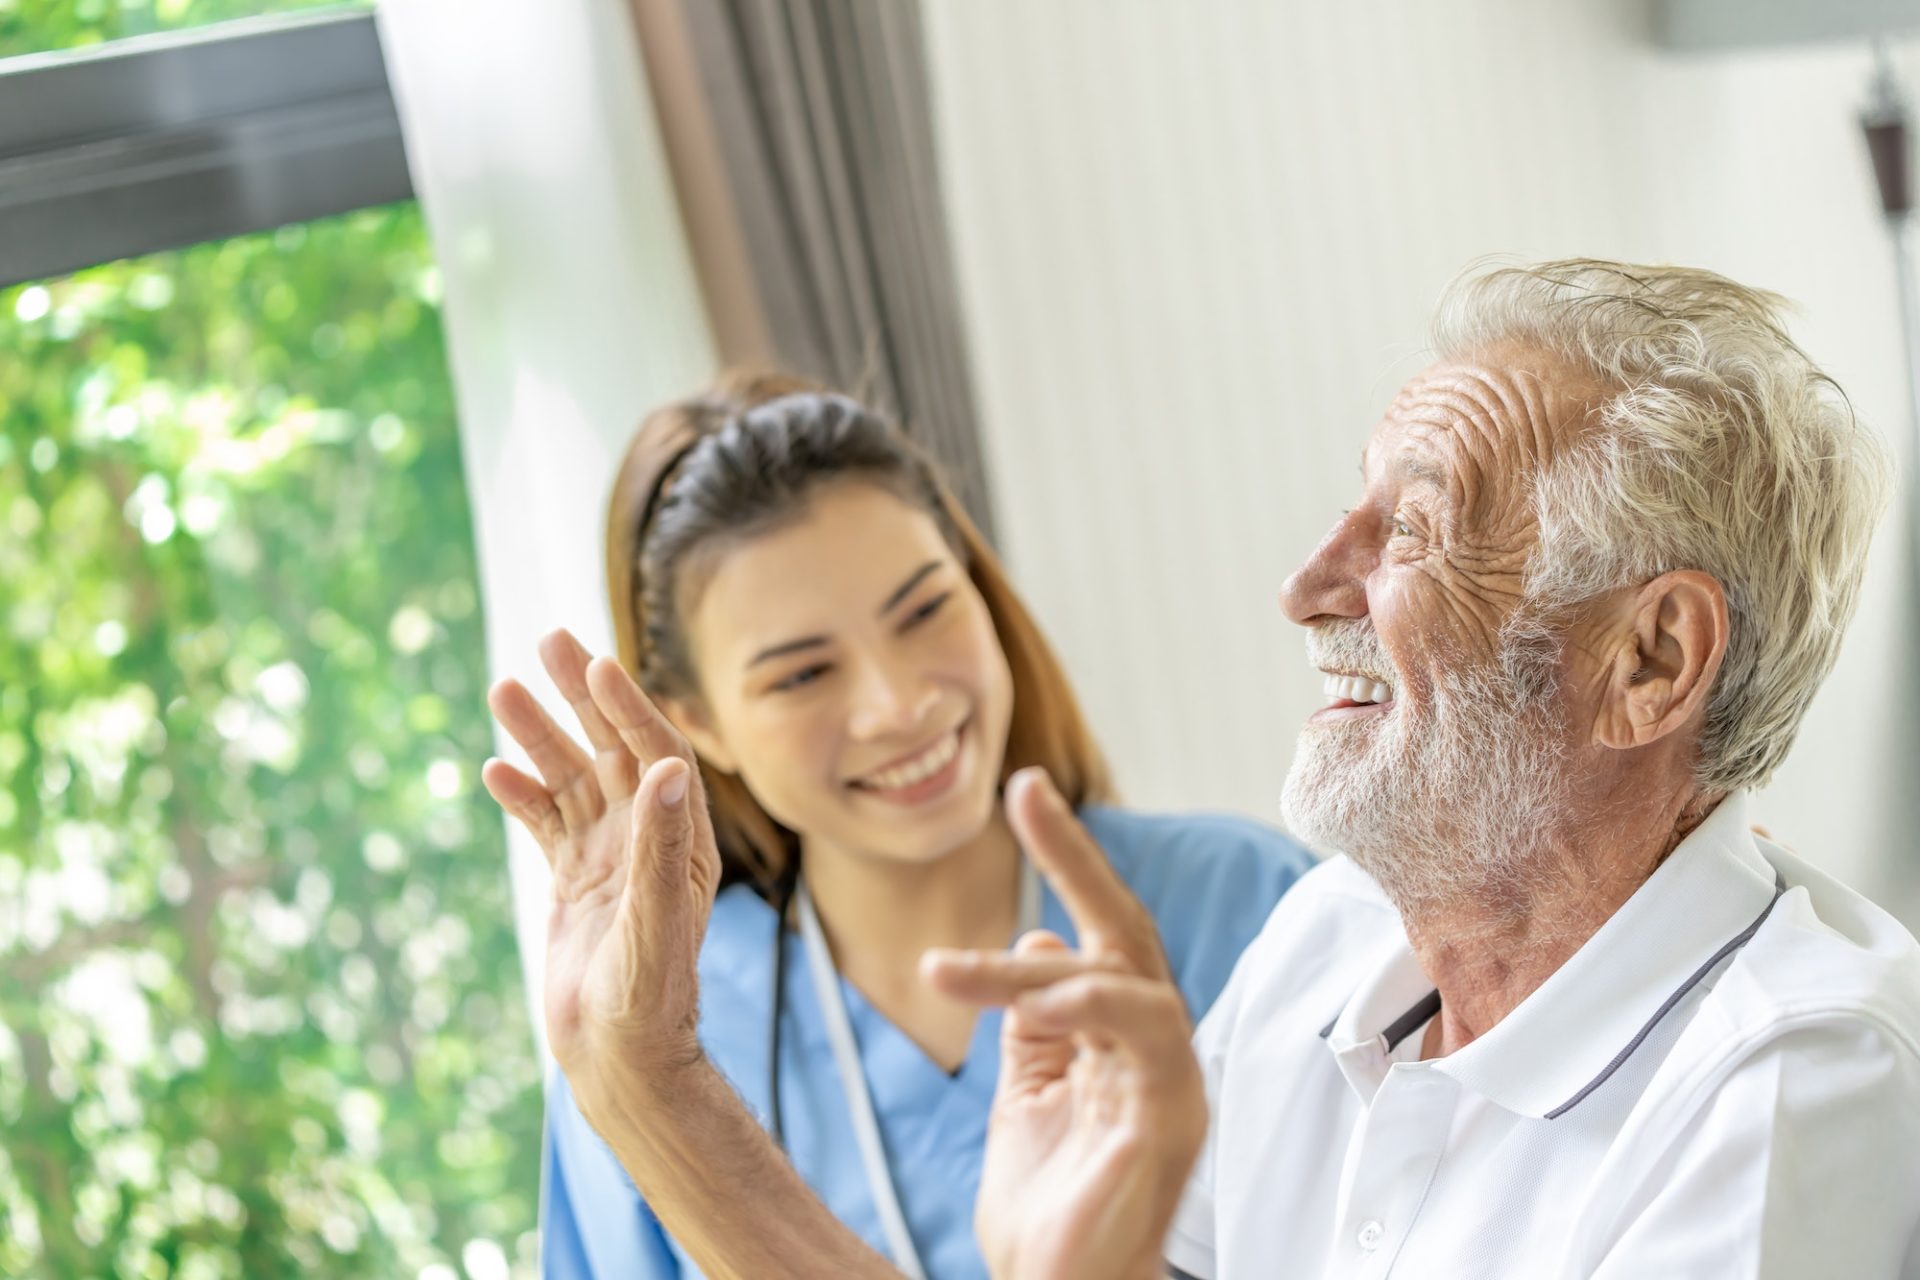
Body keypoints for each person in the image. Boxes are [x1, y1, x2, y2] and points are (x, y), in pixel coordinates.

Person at [527, 261, 1920, 1279]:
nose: (1309, 584)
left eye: (1415, 533)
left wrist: (659, 1096)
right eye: (1349, 512)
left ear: (1650, 660)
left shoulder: (1801, 1079)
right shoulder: (1325, 951)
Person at [479, 373, 1315, 1279]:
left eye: (923, 611)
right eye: (802, 675)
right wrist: (649, 1082)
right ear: (698, 722)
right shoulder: (648, 1023)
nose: (898, 703)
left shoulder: (1252, 906)